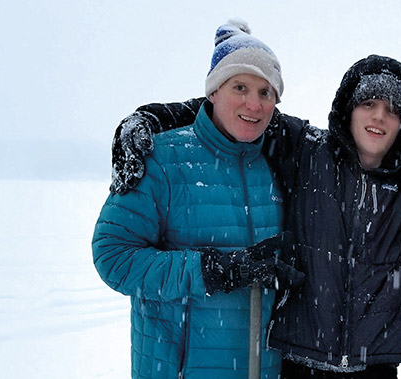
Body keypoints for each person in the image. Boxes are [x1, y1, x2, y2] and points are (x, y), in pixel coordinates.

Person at [107, 54, 401, 378]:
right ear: (348, 108)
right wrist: (150, 118)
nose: (379, 117)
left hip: (375, 368)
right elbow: (236, 110)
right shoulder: (306, 150)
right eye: (369, 104)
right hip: (297, 363)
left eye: (392, 111)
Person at [93, 19, 302, 378]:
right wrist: (210, 271)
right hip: (177, 368)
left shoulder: (280, 162)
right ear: (213, 92)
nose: (253, 104)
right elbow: (113, 255)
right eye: (240, 87)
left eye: (266, 92)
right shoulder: (160, 157)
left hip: (259, 369)